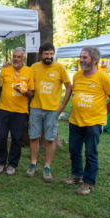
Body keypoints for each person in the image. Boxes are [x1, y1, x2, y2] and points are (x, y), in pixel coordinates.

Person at [61, 46, 110, 195]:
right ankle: (76, 176)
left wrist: (103, 113)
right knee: (74, 150)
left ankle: (88, 183)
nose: (81, 60)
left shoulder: (104, 77)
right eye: (80, 57)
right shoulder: (78, 76)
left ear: (94, 60)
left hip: (94, 123)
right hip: (75, 121)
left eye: (84, 57)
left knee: (90, 153)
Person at [26, 43, 72, 182]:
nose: (49, 56)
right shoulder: (34, 67)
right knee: (34, 137)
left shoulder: (60, 67)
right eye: (46, 54)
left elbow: (69, 87)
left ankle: (47, 167)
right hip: (36, 108)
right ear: (41, 55)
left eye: (51, 53)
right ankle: (33, 164)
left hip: (52, 110)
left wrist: (63, 105)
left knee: (50, 139)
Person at [0, 47, 34, 176]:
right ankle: (0, 162)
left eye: (19, 57)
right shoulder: (5, 69)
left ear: (24, 59)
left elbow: (32, 93)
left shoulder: (29, 71)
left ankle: (12, 164)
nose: (16, 59)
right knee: (1, 137)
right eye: (14, 56)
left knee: (17, 139)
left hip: (20, 111)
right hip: (3, 109)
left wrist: (24, 91)